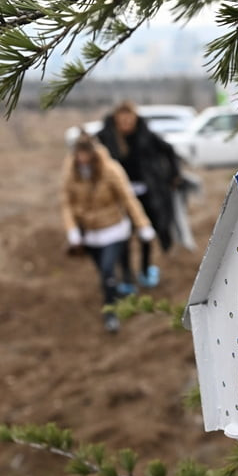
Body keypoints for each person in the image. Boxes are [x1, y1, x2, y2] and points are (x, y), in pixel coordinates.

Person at [61, 134, 156, 333]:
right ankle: (114, 291)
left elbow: (127, 198)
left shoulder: (110, 169)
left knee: (106, 270)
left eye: (85, 154)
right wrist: (72, 230)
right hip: (89, 235)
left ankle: (110, 314)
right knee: (104, 273)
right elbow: (67, 203)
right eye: (79, 154)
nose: (82, 158)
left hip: (113, 231)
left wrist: (142, 224)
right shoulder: (71, 173)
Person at [95, 101, 181, 290]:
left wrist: (173, 175)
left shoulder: (145, 134)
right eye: (122, 120)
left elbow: (169, 150)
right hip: (119, 197)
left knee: (146, 232)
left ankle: (145, 269)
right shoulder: (105, 138)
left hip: (147, 194)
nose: (126, 123)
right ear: (116, 119)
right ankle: (126, 275)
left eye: (129, 119)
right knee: (123, 236)